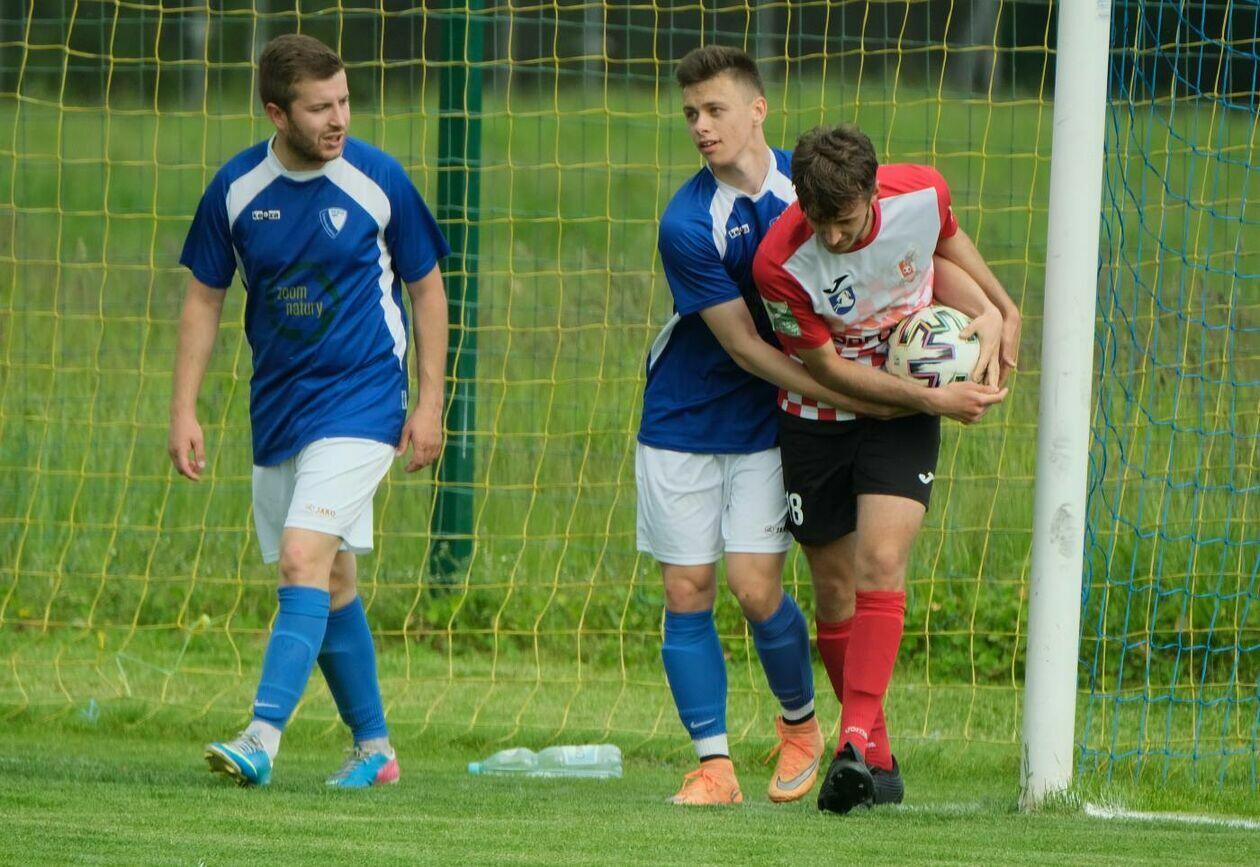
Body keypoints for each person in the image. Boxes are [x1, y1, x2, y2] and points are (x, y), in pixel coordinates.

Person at [638, 45, 980, 806]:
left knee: (759, 585)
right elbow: (747, 348)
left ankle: (812, 730)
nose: (700, 126)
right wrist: (866, 396)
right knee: (690, 586)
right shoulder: (689, 224)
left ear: (758, 108)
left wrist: (993, 312)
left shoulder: (826, 181)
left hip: (784, 418)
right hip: (707, 410)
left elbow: (918, 250)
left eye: (715, 109)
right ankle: (715, 765)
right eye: (690, 114)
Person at [168, 33, 450, 788]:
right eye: (321, 107)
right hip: (280, 408)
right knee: (331, 582)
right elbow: (204, 298)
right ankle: (375, 749)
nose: (339, 119)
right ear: (276, 113)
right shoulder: (235, 190)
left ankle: (261, 736)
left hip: (364, 400)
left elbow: (427, 288)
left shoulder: (377, 179)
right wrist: (183, 408)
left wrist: (429, 402)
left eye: (345, 101)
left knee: (301, 557)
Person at [753, 122, 1015, 813]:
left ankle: (850, 742)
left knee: (882, 563)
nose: (832, 237)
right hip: (819, 415)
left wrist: (996, 312)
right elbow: (827, 371)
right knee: (835, 593)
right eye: (819, 222)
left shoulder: (923, 194)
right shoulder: (778, 262)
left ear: (872, 191)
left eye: (844, 220)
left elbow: (947, 251)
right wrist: (930, 398)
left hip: (906, 412)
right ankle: (879, 759)